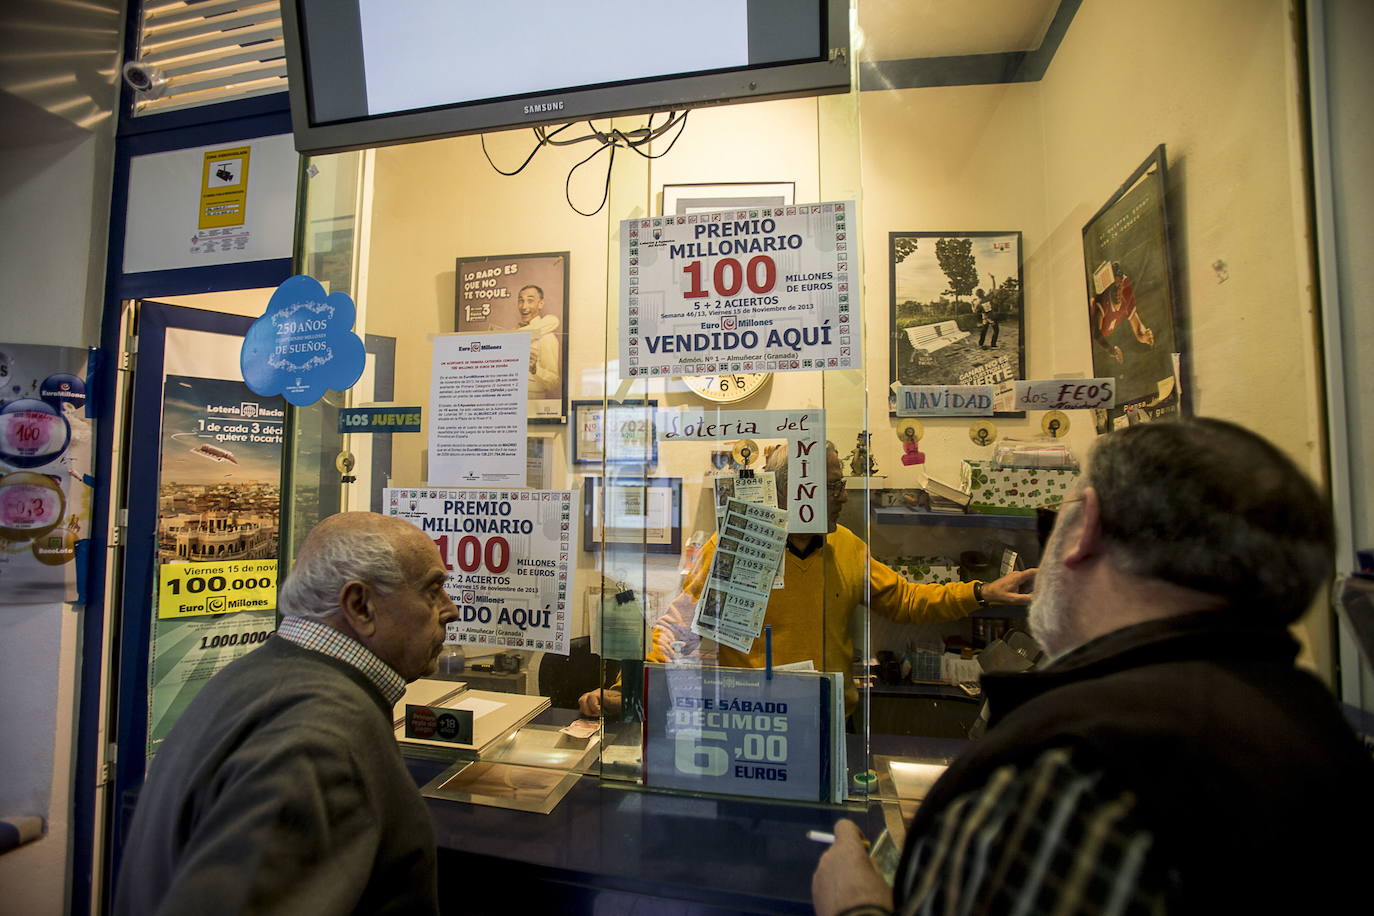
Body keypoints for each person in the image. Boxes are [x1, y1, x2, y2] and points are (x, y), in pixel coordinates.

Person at [812, 419, 1374, 915]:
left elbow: (906, 598)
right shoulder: (1316, 725)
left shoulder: (1069, 774)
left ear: (1085, 529)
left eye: (1051, 522)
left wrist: (855, 905)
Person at [114, 513, 458, 915]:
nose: (449, 610)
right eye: (433, 591)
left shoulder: (259, 677)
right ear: (360, 605)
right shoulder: (321, 738)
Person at [579, 444, 1036, 716]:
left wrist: (981, 591)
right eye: (832, 486)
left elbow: (906, 600)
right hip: (753, 720)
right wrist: (627, 694)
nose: (841, 496)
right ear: (792, 492)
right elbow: (682, 633)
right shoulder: (738, 545)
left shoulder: (847, 546)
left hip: (833, 720)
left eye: (839, 484)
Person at [1090, 261, 1154, 363]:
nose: (1117, 292)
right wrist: (1112, 350)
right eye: (1113, 288)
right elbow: (1096, 334)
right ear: (1107, 288)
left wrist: (1143, 335)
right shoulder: (1102, 301)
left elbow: (1137, 327)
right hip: (1092, 345)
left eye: (1119, 286)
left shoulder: (1126, 293)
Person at [515, 283, 561, 400]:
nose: (524, 306)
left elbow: (554, 382)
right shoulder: (518, 331)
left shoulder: (547, 337)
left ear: (540, 304)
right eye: (521, 301)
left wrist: (535, 370)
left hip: (533, 405)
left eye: (530, 301)